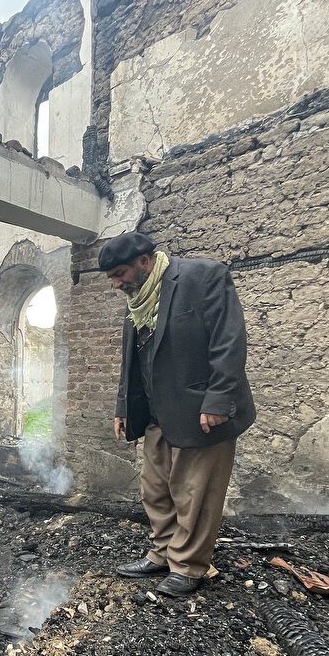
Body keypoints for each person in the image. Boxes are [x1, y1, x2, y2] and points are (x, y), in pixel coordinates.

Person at [98, 232, 255, 597]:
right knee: (155, 489)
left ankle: (188, 566)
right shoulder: (138, 299)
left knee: (194, 493)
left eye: (119, 274)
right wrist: (123, 406)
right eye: (111, 278)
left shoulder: (204, 277)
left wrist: (219, 400)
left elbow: (229, 341)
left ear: (144, 261)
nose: (116, 284)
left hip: (201, 411)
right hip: (157, 412)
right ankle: (163, 553)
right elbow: (132, 360)